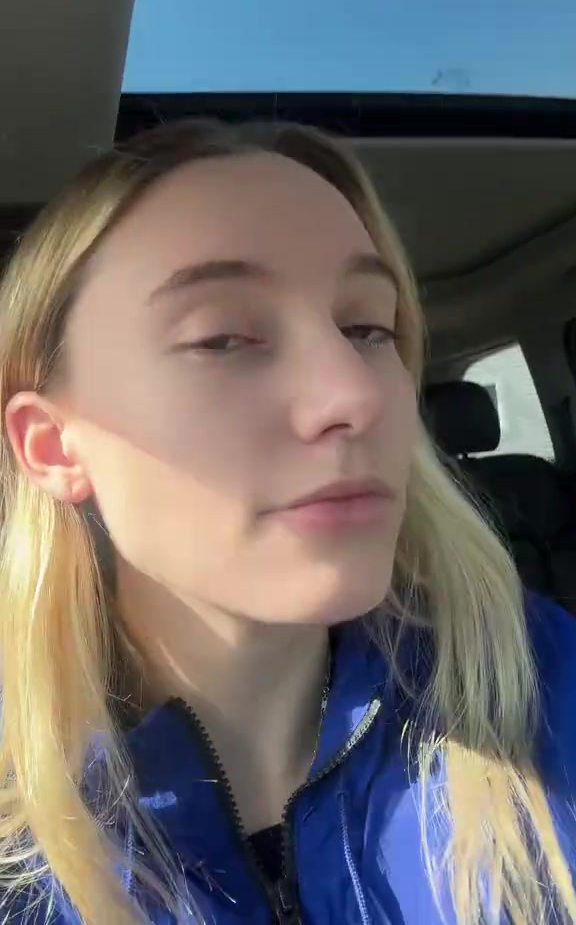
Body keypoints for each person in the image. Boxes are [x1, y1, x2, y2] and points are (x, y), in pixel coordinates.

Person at [0, 119, 575, 925]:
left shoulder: (540, 684)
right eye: (223, 338)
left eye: (368, 328)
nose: (356, 393)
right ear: (54, 444)